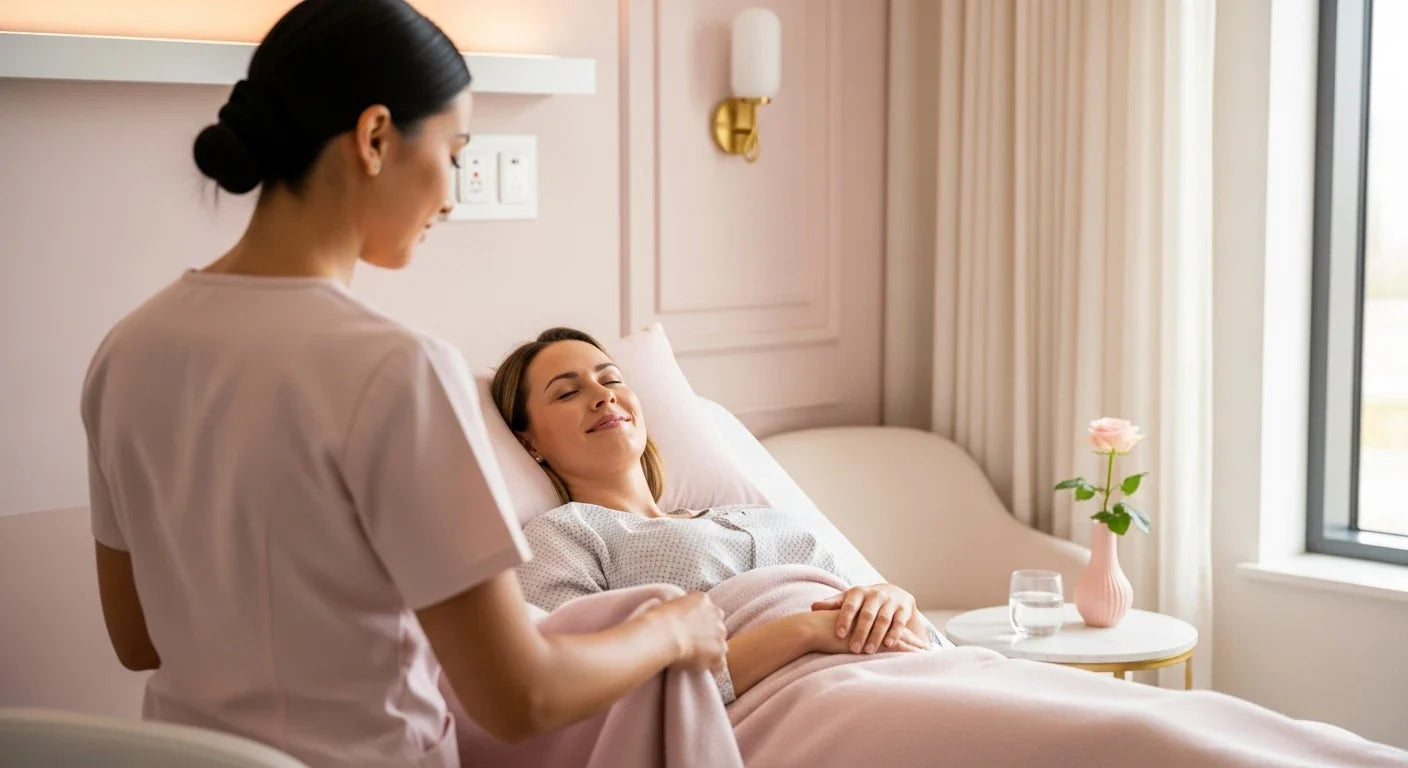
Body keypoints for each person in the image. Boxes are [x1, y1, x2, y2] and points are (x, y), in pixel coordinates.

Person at [81, 2, 725, 766]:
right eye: (453, 152)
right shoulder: (397, 369)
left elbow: (136, 639)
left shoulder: (126, 350)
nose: (451, 195)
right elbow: (521, 696)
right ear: (376, 137)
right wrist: (670, 629)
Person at [489, 327, 941, 704]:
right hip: (802, 704)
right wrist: (803, 630)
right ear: (530, 443)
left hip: (909, 668)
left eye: (611, 380)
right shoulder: (562, 536)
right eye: (568, 392)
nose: (603, 396)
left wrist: (895, 602)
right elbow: (593, 700)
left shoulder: (749, 512)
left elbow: (903, 631)